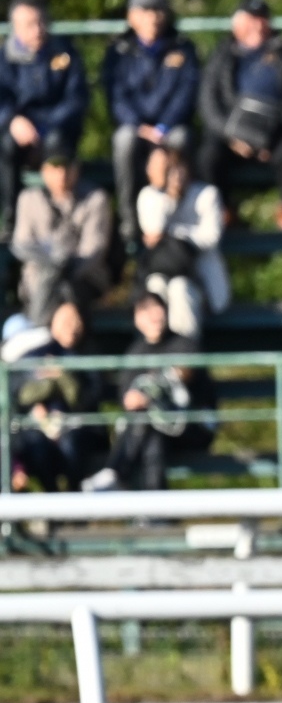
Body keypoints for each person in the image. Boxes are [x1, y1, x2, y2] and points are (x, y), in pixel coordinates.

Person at [82, 289, 216, 493]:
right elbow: (127, 400)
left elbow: (185, 372)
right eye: (145, 309)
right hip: (153, 429)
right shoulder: (135, 354)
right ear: (136, 319)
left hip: (192, 426)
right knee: (153, 437)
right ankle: (154, 507)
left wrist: (151, 391)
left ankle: (115, 474)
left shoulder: (185, 344)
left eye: (156, 307)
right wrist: (137, 399)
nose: (153, 315)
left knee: (148, 422)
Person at [197, 0, 282, 229]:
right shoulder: (222, 56)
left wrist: (265, 137)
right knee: (208, 156)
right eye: (251, 20)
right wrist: (234, 136)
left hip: (273, 134)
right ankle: (223, 211)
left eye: (262, 19)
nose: (257, 26)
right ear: (236, 24)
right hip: (231, 136)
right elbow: (208, 104)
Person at [101, 0, 201, 243]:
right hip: (135, 127)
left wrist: (164, 126)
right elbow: (115, 96)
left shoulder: (183, 48)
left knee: (182, 139)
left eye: (158, 10)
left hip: (171, 126)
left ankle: (179, 219)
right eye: (145, 11)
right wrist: (138, 125)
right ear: (131, 16)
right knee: (123, 141)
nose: (153, 18)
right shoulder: (118, 51)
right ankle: (129, 220)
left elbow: (187, 92)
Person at [0, 0, 90, 244]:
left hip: (57, 130)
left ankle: (59, 223)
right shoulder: (4, 58)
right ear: (16, 27)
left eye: (41, 22)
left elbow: (77, 99)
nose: (38, 29)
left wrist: (44, 127)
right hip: (19, 131)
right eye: (30, 24)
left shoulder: (66, 53)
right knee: (5, 146)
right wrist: (12, 120)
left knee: (57, 145)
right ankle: (11, 220)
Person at [133, 143, 229, 340]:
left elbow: (211, 237)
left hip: (200, 276)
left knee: (180, 288)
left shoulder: (206, 194)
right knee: (155, 286)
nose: (175, 174)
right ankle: (155, 348)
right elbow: (153, 230)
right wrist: (167, 196)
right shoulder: (149, 196)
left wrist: (176, 236)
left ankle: (185, 351)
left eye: (177, 167)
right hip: (161, 270)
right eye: (168, 169)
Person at [11, 146, 114, 328]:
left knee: (62, 289)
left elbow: (94, 251)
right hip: (39, 275)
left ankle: (37, 331)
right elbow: (21, 244)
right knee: (45, 278)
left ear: (76, 169)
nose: (62, 174)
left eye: (67, 167)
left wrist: (63, 267)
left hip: (81, 277)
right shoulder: (29, 198)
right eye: (55, 168)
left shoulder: (95, 199)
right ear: (44, 171)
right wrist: (52, 262)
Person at [7, 301, 104, 492]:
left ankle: (73, 498)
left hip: (77, 427)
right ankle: (52, 499)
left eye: (76, 320)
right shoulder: (33, 356)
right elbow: (18, 393)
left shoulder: (88, 357)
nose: (72, 326)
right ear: (52, 322)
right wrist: (37, 407)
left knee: (71, 445)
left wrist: (62, 376)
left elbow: (88, 398)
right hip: (38, 428)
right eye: (66, 320)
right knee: (36, 448)